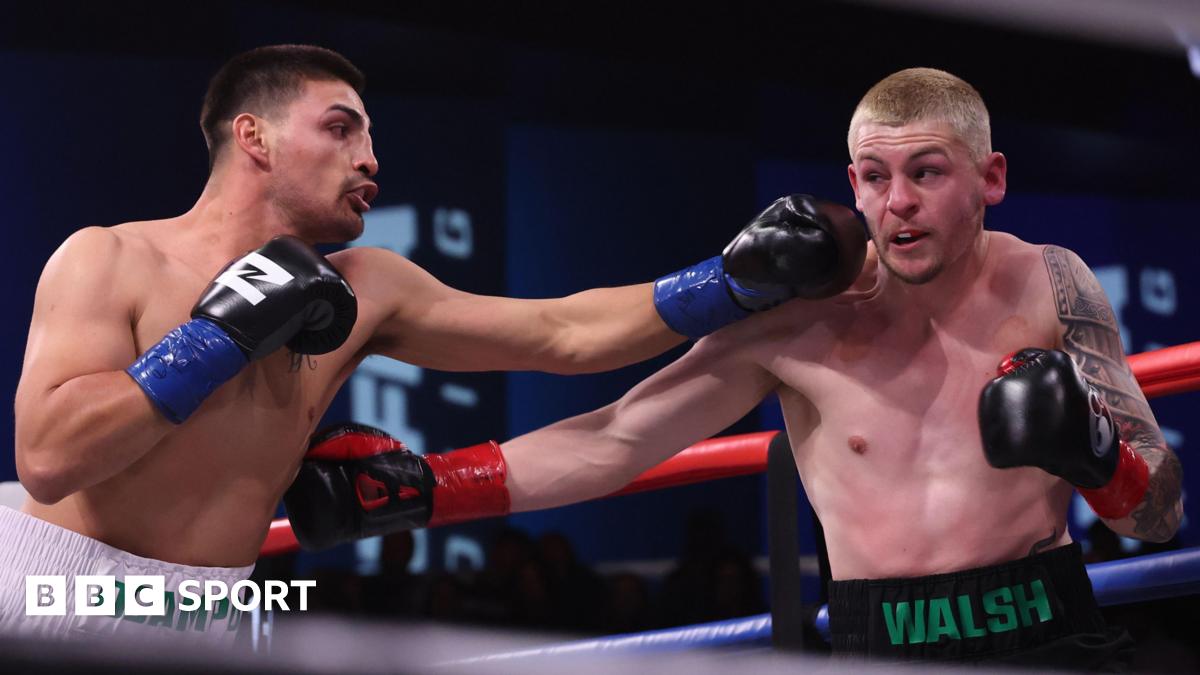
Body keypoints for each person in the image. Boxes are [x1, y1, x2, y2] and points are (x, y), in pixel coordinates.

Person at [297, 68, 1184, 667]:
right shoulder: (799, 316)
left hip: (1050, 630)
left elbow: (1159, 513)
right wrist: (424, 488)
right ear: (851, 181)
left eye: (927, 172)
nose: (899, 203)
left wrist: (1098, 454)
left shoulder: (1051, 283)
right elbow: (617, 438)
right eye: (876, 176)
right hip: (881, 644)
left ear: (990, 178)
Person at [4, 44, 863, 644]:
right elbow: (46, 457)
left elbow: (564, 332)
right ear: (253, 137)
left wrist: (729, 282)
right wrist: (215, 337)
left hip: (216, 612)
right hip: (67, 591)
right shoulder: (110, 258)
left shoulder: (366, 287)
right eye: (341, 129)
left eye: (371, 136)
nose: (370, 158)